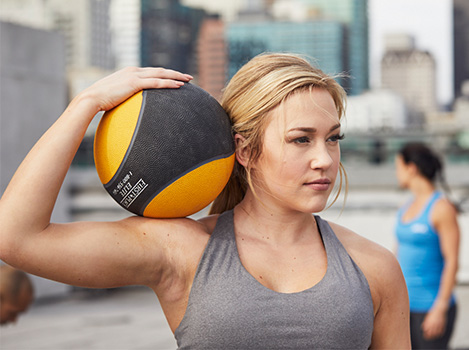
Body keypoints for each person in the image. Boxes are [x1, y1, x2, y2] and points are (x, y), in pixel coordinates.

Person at [0, 53, 410, 348]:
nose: (324, 159)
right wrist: (86, 104)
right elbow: (16, 237)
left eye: (333, 138)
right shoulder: (182, 251)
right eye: (301, 139)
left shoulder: (374, 267)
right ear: (244, 151)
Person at [394, 142, 461, 349]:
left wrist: (439, 309)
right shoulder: (406, 207)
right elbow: (397, 256)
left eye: (398, 167)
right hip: (405, 308)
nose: (396, 174)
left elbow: (452, 262)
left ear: (411, 168)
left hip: (430, 307)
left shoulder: (441, 208)